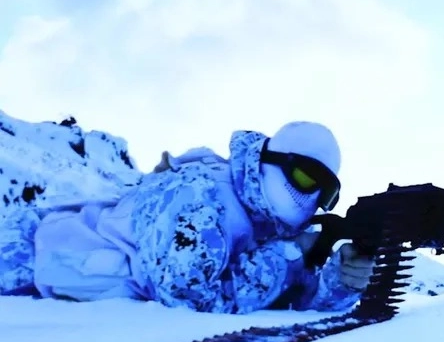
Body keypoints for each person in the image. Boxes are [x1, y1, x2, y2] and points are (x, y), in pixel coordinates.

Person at [0, 121, 375, 314]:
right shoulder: (200, 195)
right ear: (274, 162)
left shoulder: (269, 223)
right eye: (306, 179)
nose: (311, 199)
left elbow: (291, 300)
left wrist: (341, 282)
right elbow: (189, 300)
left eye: (326, 194)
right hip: (23, 255)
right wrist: (292, 253)